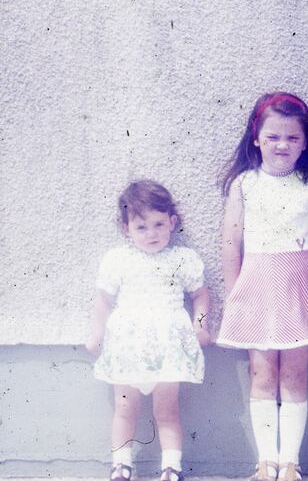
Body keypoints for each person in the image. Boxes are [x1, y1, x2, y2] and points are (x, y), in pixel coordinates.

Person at [217, 92, 308, 481]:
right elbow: (231, 241)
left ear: (305, 142)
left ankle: (290, 462)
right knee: (262, 374)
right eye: (273, 137)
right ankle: (266, 462)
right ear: (256, 138)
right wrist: (234, 294)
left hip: (298, 286)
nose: (282, 145)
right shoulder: (244, 184)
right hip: (256, 286)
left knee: (293, 374)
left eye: (292, 138)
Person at [86, 180, 211, 481]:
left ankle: (171, 467)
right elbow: (104, 300)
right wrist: (97, 333)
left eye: (158, 224)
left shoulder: (182, 259)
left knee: (166, 410)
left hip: (168, 344)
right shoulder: (119, 260)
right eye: (142, 227)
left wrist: (201, 325)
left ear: (172, 222)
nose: (152, 234)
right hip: (128, 344)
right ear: (126, 228)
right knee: (125, 408)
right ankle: (121, 464)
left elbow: (201, 294)